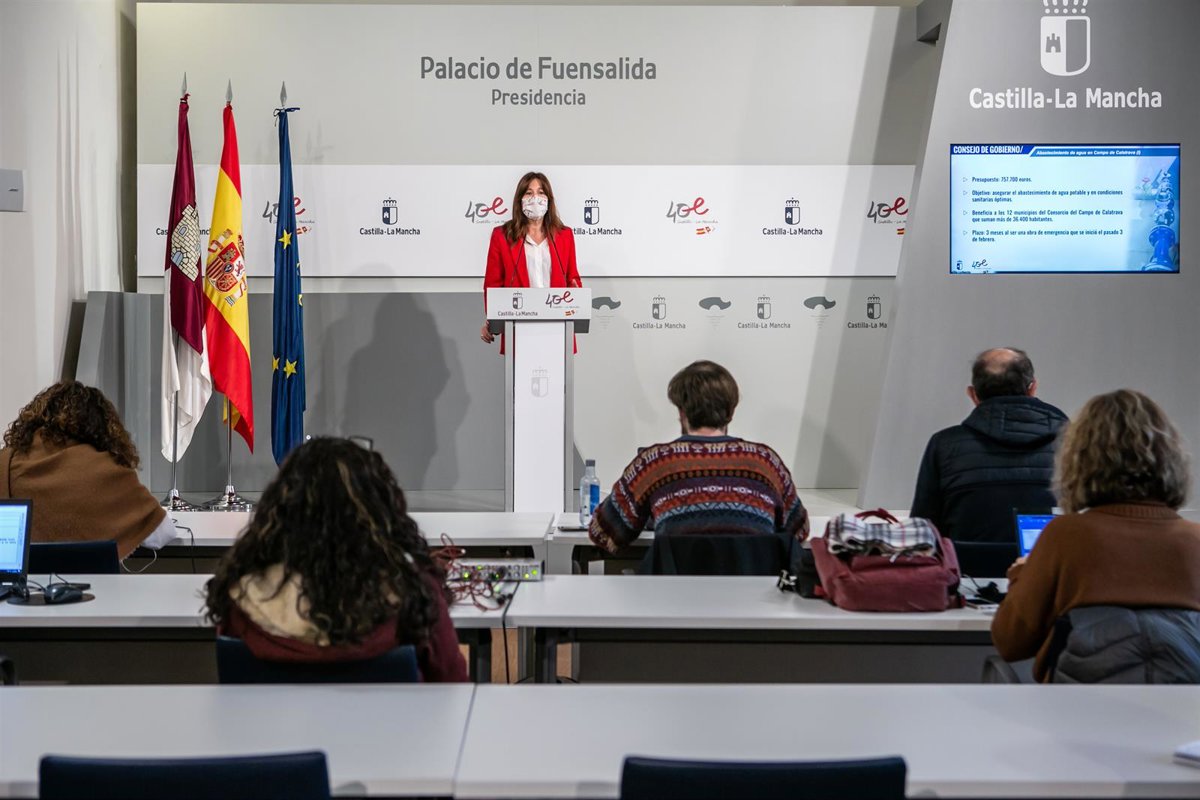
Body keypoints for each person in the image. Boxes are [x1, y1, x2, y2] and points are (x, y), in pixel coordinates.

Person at [204, 437, 468, 682]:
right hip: (390, 720)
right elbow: (453, 688)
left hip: (273, 721)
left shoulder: (241, 601)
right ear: (378, 512)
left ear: (281, 510)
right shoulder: (414, 596)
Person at [991, 390, 1200, 682]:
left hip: (1082, 706)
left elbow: (1011, 642)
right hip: (1182, 708)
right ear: (1171, 459)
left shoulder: (1065, 537)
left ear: (1080, 461)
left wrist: (1022, 576)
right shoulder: (1195, 541)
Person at [589, 360, 809, 554]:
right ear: (731, 411)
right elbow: (799, 531)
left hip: (675, 588)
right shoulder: (765, 462)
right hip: (755, 588)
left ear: (681, 412)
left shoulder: (654, 463)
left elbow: (603, 533)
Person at [0, 381, 175, 559]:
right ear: (101, 426)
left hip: (21, 577)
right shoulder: (111, 473)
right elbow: (163, 534)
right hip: (92, 577)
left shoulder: (8, 463)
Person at [910, 347, 1067, 543]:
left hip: (966, 562)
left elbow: (924, 528)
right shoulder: (1072, 443)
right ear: (1032, 388)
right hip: (1051, 562)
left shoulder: (944, 445)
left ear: (973, 394)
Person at [480, 171, 582, 347]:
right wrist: (493, 321)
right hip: (519, 329)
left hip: (558, 328)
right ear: (520, 200)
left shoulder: (564, 235)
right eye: (529, 193)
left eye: (541, 192)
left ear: (549, 199)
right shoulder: (502, 236)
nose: (535, 198)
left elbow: (572, 278)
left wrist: (577, 301)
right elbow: (493, 285)